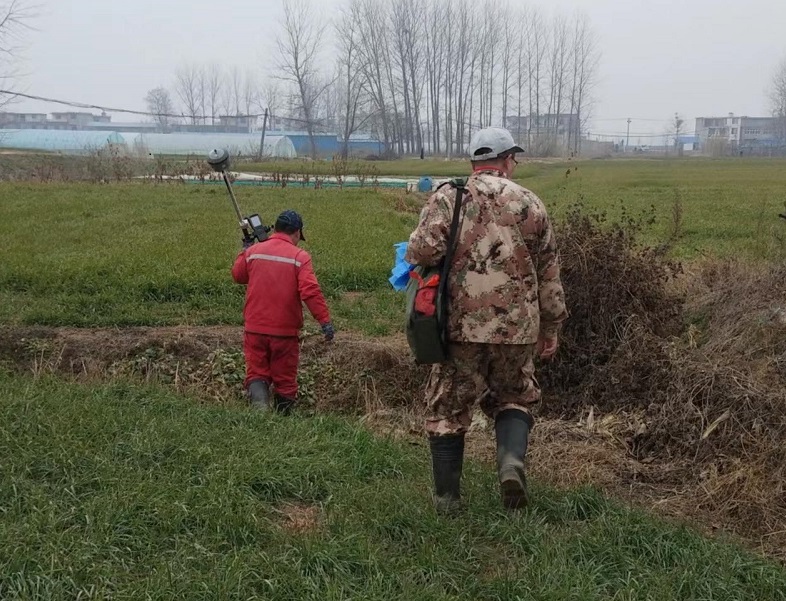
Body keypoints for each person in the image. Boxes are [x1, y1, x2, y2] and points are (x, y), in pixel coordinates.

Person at [404, 127, 567, 514]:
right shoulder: (530, 203)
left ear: (473, 162)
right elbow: (549, 275)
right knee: (515, 396)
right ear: (507, 160)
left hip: (460, 327)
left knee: (447, 407)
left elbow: (422, 251)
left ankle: (447, 501)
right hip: (518, 328)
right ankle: (510, 465)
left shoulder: (449, 196)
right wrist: (551, 328)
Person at [231, 209, 334, 414]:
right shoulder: (299, 257)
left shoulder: (254, 251)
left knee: (256, 373)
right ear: (296, 232)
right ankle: (283, 419)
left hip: (254, 328)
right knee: (285, 379)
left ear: (275, 229)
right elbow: (310, 291)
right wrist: (324, 321)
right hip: (284, 332)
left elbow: (238, 276)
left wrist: (245, 250)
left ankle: (260, 414)